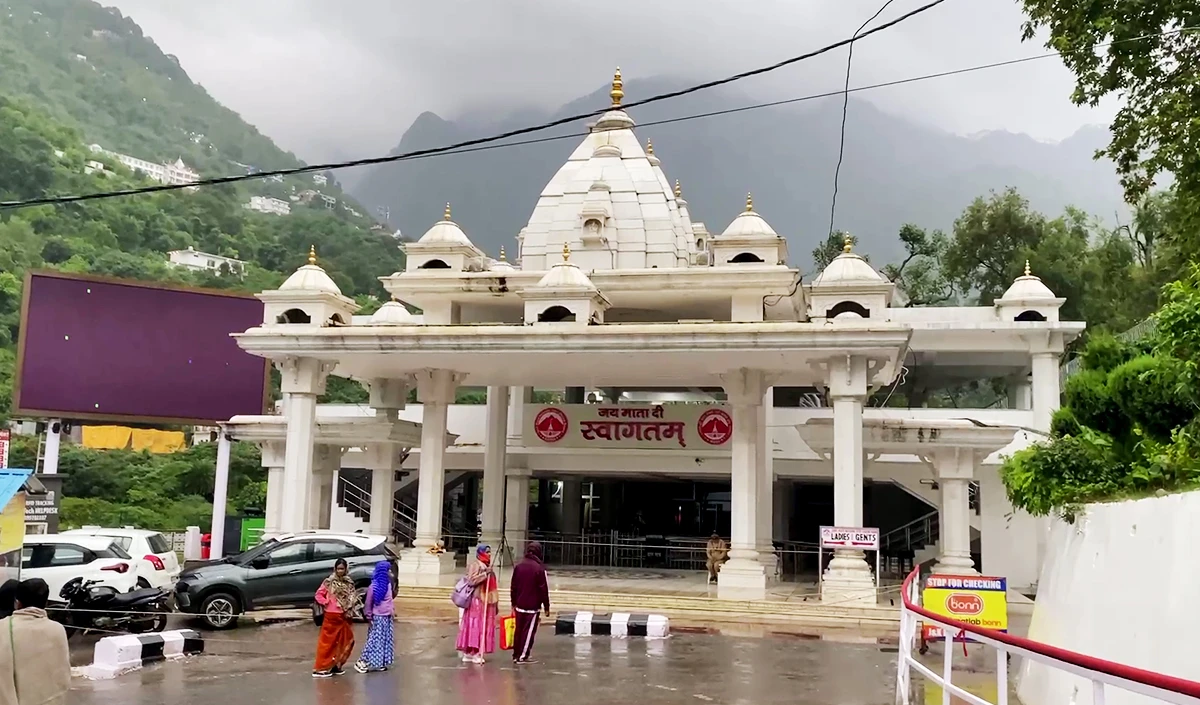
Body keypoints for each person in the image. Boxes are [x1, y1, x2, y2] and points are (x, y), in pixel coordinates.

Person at [0, 578, 70, 705]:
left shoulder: (3, 627)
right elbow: (63, 675)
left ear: (17, 603)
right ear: (46, 602)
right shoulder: (58, 629)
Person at [313, 558, 360, 678]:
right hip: (331, 616)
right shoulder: (329, 582)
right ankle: (321, 668)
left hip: (344, 616)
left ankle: (335, 666)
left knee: (344, 642)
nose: (340, 571)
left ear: (346, 569)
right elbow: (318, 594)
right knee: (327, 644)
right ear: (335, 569)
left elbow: (353, 596)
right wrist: (326, 602)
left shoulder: (348, 582)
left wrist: (350, 606)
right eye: (338, 569)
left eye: (342, 569)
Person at [455, 544, 498, 665]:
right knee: (476, 626)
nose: (489, 554)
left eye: (489, 552)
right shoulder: (475, 565)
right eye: (487, 552)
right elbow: (471, 580)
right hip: (477, 600)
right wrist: (484, 574)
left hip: (486, 600)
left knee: (483, 625)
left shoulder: (487, 565)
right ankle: (473, 652)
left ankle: (473, 652)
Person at [509, 541, 550, 664]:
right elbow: (543, 589)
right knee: (528, 632)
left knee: (519, 630)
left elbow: (513, 586)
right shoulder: (539, 568)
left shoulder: (519, 566)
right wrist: (546, 607)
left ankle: (516, 654)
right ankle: (522, 656)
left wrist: (513, 602)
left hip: (519, 604)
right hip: (532, 606)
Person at [354, 561, 395, 673]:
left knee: (384, 641)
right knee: (374, 641)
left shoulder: (388, 585)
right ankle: (361, 661)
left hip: (387, 616)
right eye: (388, 570)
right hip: (378, 617)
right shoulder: (373, 587)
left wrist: (392, 611)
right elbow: (368, 603)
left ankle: (379, 662)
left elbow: (390, 601)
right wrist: (369, 617)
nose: (389, 573)